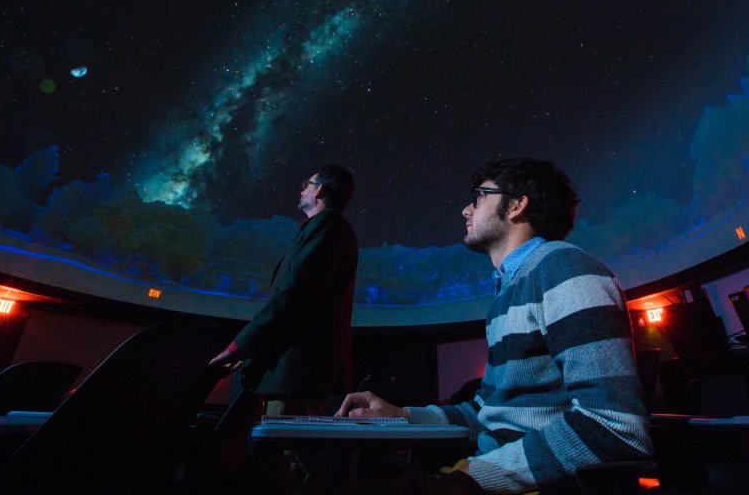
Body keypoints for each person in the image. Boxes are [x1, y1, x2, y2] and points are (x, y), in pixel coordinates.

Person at [336, 158, 652, 494]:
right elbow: (484, 410)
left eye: (479, 197)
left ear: (517, 205)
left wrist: (475, 477)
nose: (465, 210)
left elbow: (615, 427)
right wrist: (401, 415)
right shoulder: (508, 293)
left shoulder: (565, 269)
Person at [208, 163, 358, 489]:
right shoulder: (322, 229)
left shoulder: (327, 226)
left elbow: (291, 295)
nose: (301, 189)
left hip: (292, 376)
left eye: (307, 183)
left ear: (320, 191)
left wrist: (239, 346)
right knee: (283, 463)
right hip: (290, 374)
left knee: (289, 467)